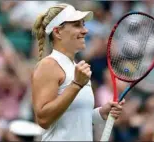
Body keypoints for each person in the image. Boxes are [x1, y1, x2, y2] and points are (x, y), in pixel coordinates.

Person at [31, 3, 125, 141]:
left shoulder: (75, 67)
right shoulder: (49, 65)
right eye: (76, 25)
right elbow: (43, 119)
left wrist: (100, 113)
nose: (85, 31)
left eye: (83, 24)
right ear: (57, 32)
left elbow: (72, 120)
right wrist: (76, 85)